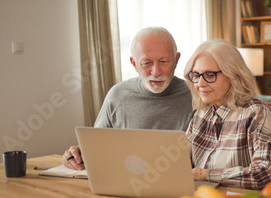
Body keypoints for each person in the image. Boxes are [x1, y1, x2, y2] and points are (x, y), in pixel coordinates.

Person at [63, 27, 194, 170]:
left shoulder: (196, 96)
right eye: (147, 63)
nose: (156, 72)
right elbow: (95, 146)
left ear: (176, 60)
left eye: (163, 61)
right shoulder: (117, 95)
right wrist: (76, 154)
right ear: (134, 63)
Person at [184, 39, 271, 190]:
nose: (200, 83)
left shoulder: (257, 113)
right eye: (196, 75)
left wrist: (207, 174)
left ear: (233, 75)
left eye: (209, 75)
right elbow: (180, 161)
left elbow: (269, 173)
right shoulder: (201, 115)